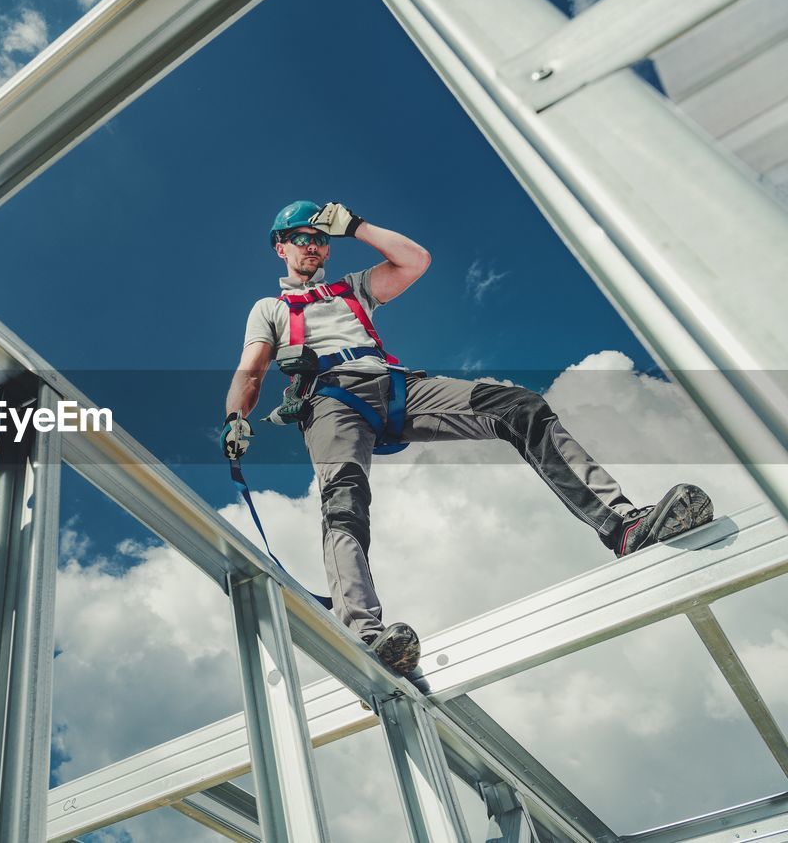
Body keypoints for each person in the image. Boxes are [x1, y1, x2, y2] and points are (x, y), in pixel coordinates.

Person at [220, 200, 713, 675]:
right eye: (302, 239)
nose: (313, 247)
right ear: (281, 247)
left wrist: (356, 226)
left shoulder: (355, 289)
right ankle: (365, 632)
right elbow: (252, 371)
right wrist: (235, 418)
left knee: (518, 407)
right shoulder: (271, 308)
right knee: (343, 501)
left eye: (321, 239)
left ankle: (624, 525)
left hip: (396, 386)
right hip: (330, 400)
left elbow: (415, 261)